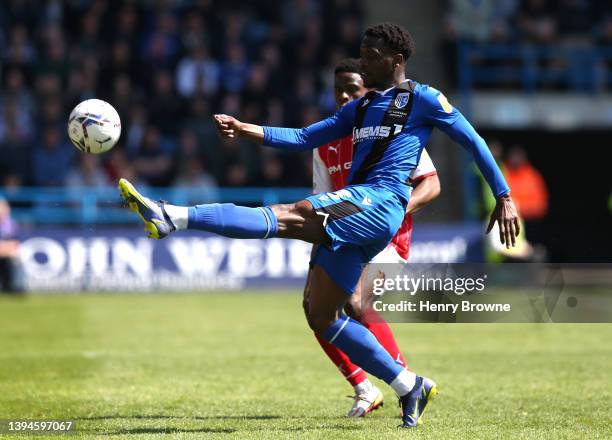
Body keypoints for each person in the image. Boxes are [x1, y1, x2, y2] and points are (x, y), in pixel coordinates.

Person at [118, 22, 519, 428]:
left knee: (287, 215)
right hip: (360, 210)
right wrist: (245, 130)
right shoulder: (360, 109)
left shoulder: (424, 99)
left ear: (396, 61)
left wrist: (503, 195)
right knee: (322, 314)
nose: (363, 60)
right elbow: (304, 137)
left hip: (379, 203)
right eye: (361, 52)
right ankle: (409, 384)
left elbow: (473, 141)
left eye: (371, 55)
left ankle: (173, 216)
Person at [308, 58, 441, 417]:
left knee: (355, 301)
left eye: (352, 89)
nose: (344, 96)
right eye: (338, 90)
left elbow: (432, 183)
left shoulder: (393, 128)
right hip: (346, 240)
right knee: (315, 305)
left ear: (369, 90)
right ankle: (365, 389)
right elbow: (322, 201)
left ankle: (408, 383)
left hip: (387, 239)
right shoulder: (325, 143)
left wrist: (398, 209)